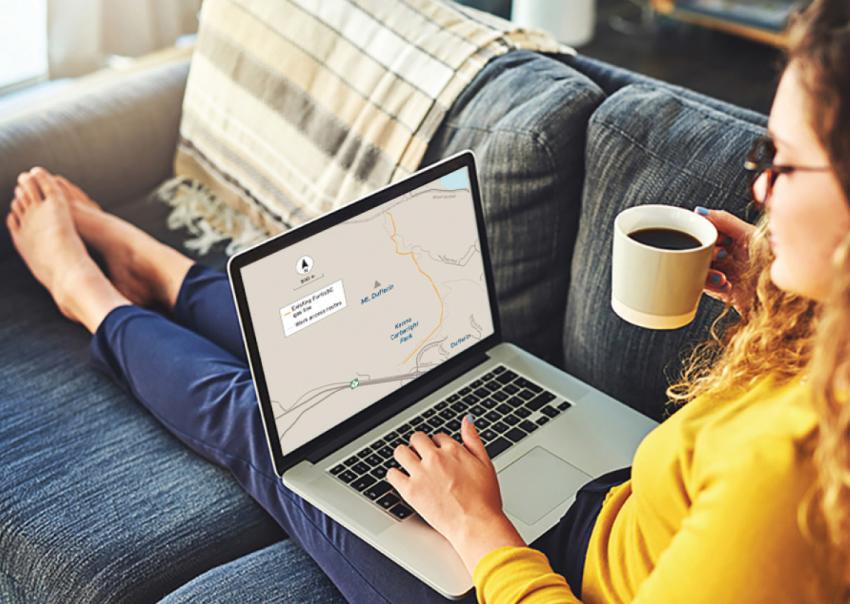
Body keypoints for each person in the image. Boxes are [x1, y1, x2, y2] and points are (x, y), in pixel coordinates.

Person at [6, 0, 850, 600]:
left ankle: (87, 296)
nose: (760, 189)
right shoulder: (830, 345)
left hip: (529, 576)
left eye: (786, 162)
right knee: (326, 366)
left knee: (274, 434)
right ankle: (162, 268)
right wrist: (775, 304)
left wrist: (482, 532)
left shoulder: (792, 483)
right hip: (608, 516)